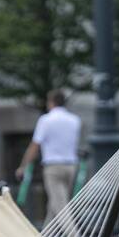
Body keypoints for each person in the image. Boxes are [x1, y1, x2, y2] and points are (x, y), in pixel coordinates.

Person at [16, 89, 82, 224]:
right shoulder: (75, 120)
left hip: (53, 167)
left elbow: (35, 146)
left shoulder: (45, 120)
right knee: (54, 205)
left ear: (51, 102)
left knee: (61, 208)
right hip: (71, 166)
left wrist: (23, 166)